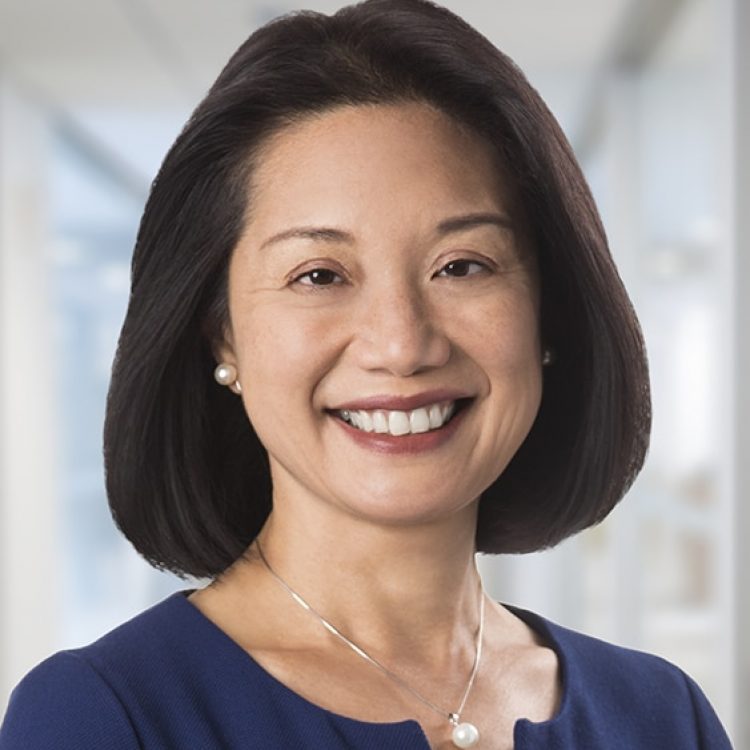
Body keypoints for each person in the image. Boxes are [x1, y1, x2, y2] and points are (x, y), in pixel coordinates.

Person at [0, 0, 733, 748]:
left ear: (549, 312)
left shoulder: (660, 713)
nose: (401, 344)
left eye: (462, 266)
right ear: (221, 336)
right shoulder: (103, 716)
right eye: (319, 274)